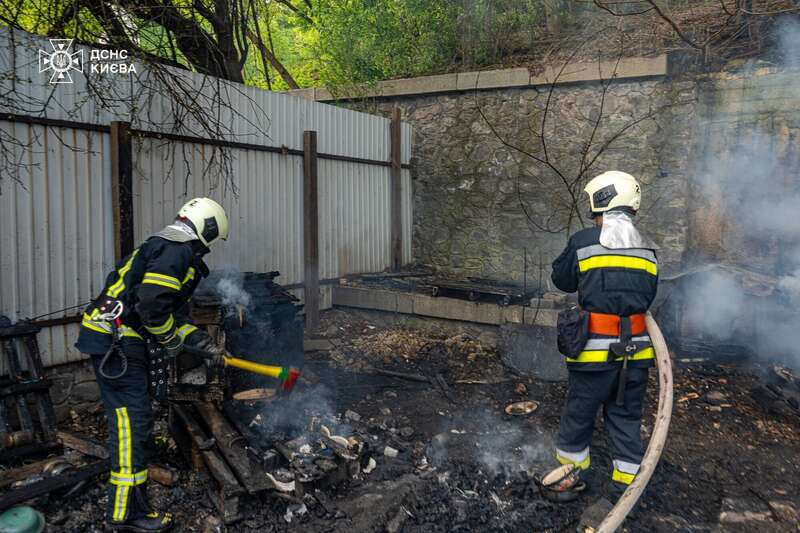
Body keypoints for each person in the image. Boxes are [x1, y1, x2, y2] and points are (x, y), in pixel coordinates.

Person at [75, 198, 229, 532]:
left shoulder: (166, 246)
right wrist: (173, 343)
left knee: (134, 423)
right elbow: (152, 308)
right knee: (132, 426)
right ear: (208, 229)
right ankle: (126, 515)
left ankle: (127, 510)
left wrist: (196, 340)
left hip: (116, 338)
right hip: (116, 342)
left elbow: (168, 313)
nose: (208, 248)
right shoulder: (177, 250)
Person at [543, 171, 658, 502]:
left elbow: (562, 281)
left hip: (593, 355)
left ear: (601, 201)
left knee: (579, 416)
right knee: (625, 418)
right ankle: (627, 490)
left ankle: (568, 481)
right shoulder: (650, 248)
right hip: (635, 356)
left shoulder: (583, 241)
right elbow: (647, 297)